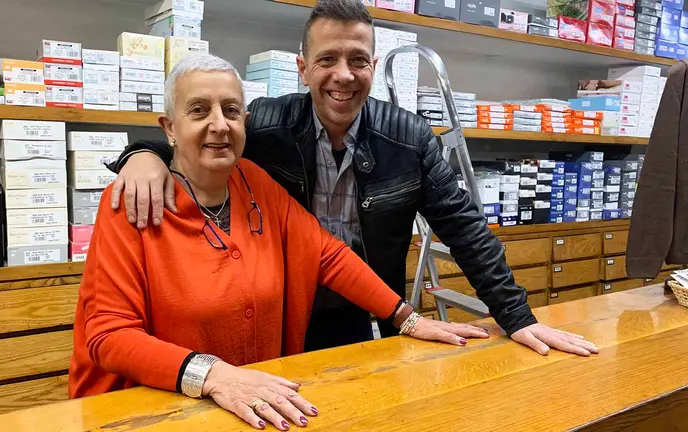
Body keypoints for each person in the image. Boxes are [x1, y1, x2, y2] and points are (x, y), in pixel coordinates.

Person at [107, 0, 600, 357]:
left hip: (373, 307)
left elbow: (466, 230)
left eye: (357, 60)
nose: (343, 75)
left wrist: (518, 318)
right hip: (285, 313)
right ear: (303, 69)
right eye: (327, 59)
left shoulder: (409, 137)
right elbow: (206, 142)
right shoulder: (266, 123)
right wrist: (140, 155)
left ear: (373, 66)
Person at [70, 53, 493, 431]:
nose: (219, 124)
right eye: (199, 110)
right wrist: (216, 376)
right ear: (170, 128)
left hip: (258, 406)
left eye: (231, 110)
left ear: (244, 124)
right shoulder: (132, 203)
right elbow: (108, 336)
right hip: (149, 413)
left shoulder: (257, 184)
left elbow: (328, 255)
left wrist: (407, 318)